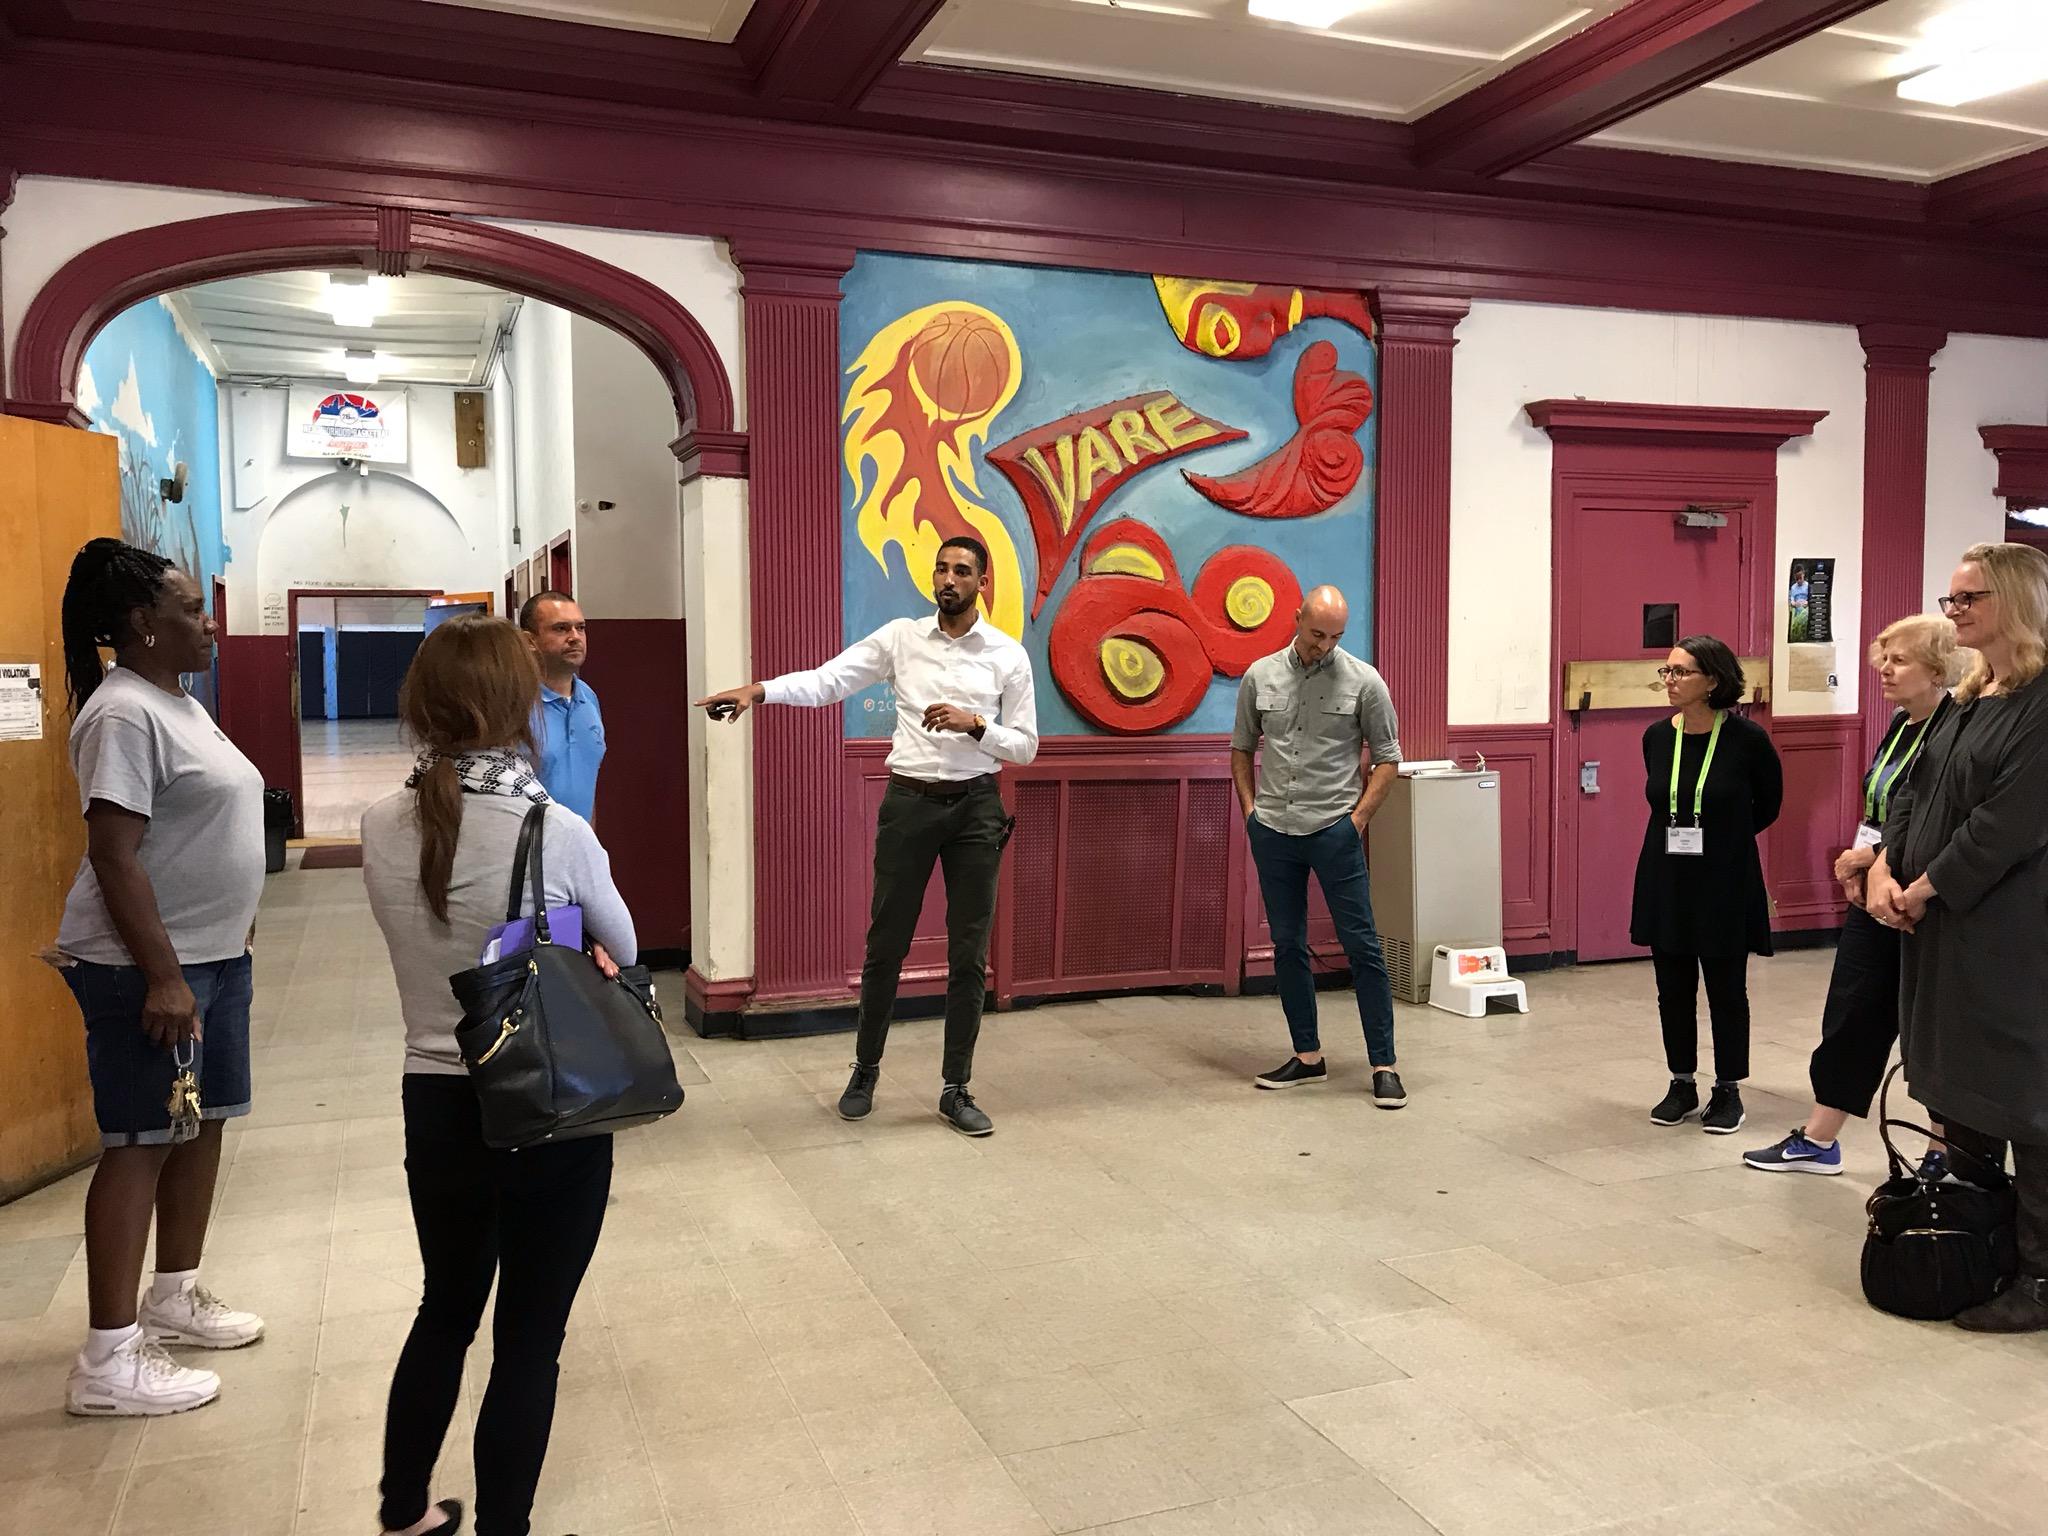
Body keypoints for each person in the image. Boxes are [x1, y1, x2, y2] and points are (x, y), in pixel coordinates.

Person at [361, 615, 637, 1534]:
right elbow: (625, 947)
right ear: (519, 706)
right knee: (529, 1339)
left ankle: (402, 1511)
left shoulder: (378, 823)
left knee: (445, 1307)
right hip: (545, 1105)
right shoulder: (554, 830)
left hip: (433, 1096)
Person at [696, 536, 1036, 1137]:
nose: (947, 577)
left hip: (977, 810)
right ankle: (865, 1071)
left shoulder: (1006, 655)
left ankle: (956, 1087)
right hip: (908, 804)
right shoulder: (901, 638)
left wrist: (977, 724)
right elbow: (828, 682)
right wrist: (758, 691)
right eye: (941, 567)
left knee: (968, 953)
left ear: (983, 582)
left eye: (961, 570)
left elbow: (1026, 747)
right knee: (886, 945)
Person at [53, 538, 266, 1418]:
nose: (208, 621)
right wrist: (164, 978)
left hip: (213, 958)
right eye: (190, 609)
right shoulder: (122, 714)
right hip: (147, 970)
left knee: (201, 1124)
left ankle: (172, 1296)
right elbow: (114, 854)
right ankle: (107, 1360)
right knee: (139, 1142)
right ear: (144, 626)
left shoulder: (176, 702)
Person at [1869, 542, 2048, 1333]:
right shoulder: (1974, 695)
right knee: (1961, 1093)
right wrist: (1882, 871)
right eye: (1951, 599)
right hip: (1940, 933)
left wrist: (1923, 885)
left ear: (2014, 600)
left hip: (2009, 939)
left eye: (1968, 598)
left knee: (2027, 1106)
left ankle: (2041, 1281)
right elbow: (1913, 789)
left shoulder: (2042, 703)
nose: (1955, 612)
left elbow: (2005, 825)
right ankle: (1982, 1243)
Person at [1744, 614, 1956, 1174]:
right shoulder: (1902, 723)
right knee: (1851, 1012)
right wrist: (1859, 864)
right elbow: (1884, 804)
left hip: (1925, 899)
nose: (1884, 669)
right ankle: (1819, 1139)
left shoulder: (1958, 729)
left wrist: (1876, 856)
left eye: (1900, 659)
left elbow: (1944, 819)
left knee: (1928, 1027)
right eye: (1882, 657)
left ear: (1939, 668)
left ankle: (1944, 1149)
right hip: (1872, 893)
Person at [1231, 585, 1406, 1107]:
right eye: (1315, 633)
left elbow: (1389, 758)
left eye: (1334, 637)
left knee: (1364, 947)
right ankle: (1307, 1057)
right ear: (1296, 620)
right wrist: (1251, 812)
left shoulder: (1364, 681)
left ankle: (1385, 1065)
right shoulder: (1260, 675)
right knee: (1288, 946)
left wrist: (1356, 822)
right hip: (1274, 831)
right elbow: (1241, 748)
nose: (1323, 645)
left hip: (1334, 829)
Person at [1635, 635, 1782, 1135]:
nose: (1670, 681)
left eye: (1681, 672)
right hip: (1667, 876)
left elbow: (1768, 805)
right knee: (1671, 988)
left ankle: (1727, 1090)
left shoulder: (1747, 740)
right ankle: (1681, 1082)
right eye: (1667, 671)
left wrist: (1722, 841)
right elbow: (1662, 797)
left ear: (1713, 681)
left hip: (1724, 877)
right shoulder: (1657, 736)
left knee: (1725, 988)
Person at [520, 590, 604, 822]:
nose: (575, 637)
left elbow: (587, 786)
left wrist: (590, 849)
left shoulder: (588, 699)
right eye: (561, 628)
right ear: (529, 641)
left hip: (577, 849)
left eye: (581, 628)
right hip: (529, 851)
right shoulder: (513, 704)